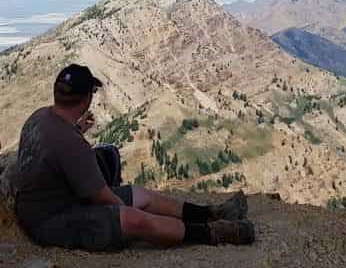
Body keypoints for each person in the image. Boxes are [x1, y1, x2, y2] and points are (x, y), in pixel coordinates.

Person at [8, 64, 254, 250]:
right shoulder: (70, 143)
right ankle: (212, 232)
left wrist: (79, 129)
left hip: (45, 206)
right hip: (52, 222)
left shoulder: (40, 117)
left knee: (141, 195)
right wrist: (130, 214)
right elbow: (101, 196)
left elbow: (54, 148)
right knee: (134, 218)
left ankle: (209, 212)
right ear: (87, 98)